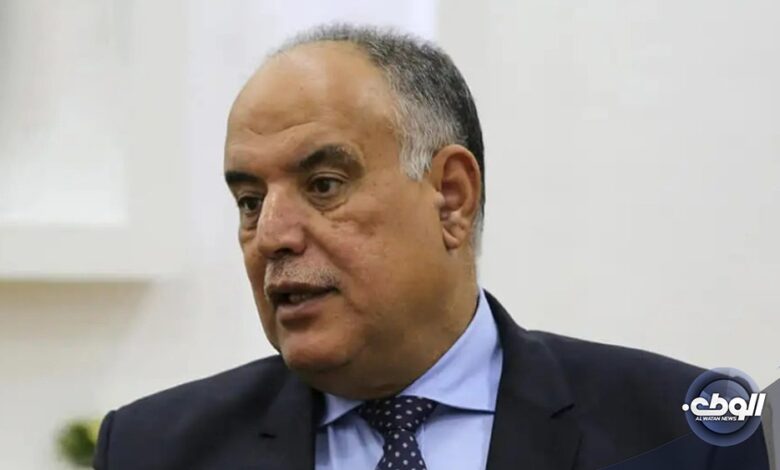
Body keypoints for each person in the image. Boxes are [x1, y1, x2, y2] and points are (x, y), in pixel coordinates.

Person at [92, 24, 766, 470]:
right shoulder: (152, 452)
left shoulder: (684, 431)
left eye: (324, 185)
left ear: (450, 197)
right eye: (249, 201)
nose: (271, 235)